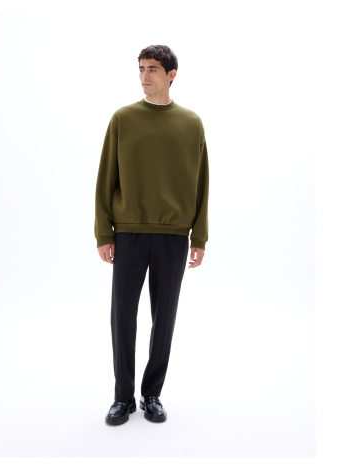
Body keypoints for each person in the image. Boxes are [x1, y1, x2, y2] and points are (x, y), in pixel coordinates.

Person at [94, 45, 209, 425]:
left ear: (172, 74)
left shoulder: (191, 123)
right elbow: (105, 178)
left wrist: (199, 237)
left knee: (165, 318)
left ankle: (152, 394)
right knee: (122, 316)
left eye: (153, 69)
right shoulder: (123, 119)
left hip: (173, 235)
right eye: (141, 68)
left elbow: (202, 183)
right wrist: (103, 232)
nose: (145, 76)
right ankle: (122, 397)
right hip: (128, 232)